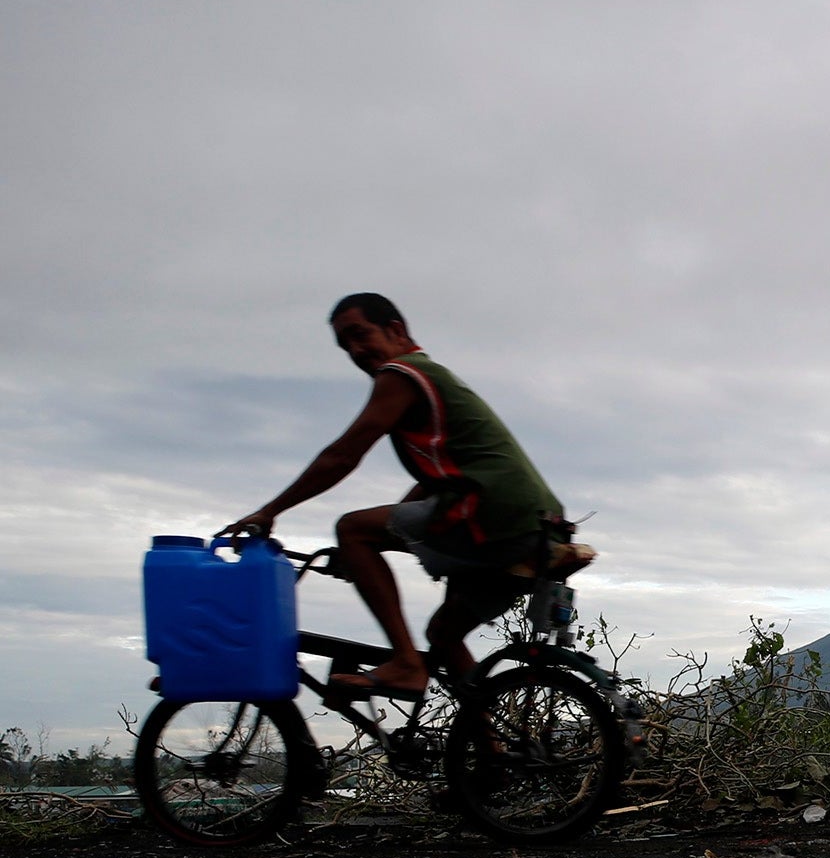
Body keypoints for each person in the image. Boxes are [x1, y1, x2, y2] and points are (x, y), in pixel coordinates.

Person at [222, 294, 585, 698]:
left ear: (395, 330)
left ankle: (406, 664)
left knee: (353, 528)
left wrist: (270, 511)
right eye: (346, 346)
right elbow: (432, 485)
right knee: (443, 636)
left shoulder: (403, 373)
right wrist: (378, 541)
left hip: (491, 514)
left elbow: (343, 455)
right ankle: (493, 753)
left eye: (360, 335)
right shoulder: (434, 380)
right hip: (536, 529)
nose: (356, 351)